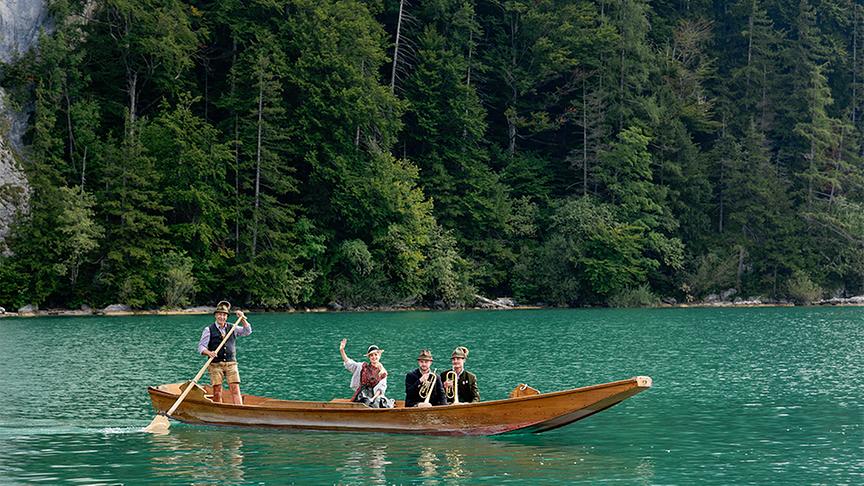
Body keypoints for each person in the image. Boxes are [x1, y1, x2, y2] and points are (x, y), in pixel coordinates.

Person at [197, 301, 251, 405]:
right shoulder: (208, 330)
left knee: (235, 389)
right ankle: (219, 412)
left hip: (231, 363)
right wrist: (209, 352)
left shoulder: (233, 328)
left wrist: (243, 319)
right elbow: (201, 347)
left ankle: (239, 411)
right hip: (215, 364)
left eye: (224, 315)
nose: (222, 317)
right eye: (219, 314)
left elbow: (247, 331)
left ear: (226, 316)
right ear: (216, 315)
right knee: (217, 391)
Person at [339, 338, 393, 408]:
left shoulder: (382, 372)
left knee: (377, 403)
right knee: (365, 401)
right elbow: (349, 363)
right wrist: (342, 350)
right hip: (362, 394)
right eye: (371, 355)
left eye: (375, 355)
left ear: (379, 356)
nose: (374, 357)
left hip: (375, 396)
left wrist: (373, 399)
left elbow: (380, 389)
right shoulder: (362, 367)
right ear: (369, 357)